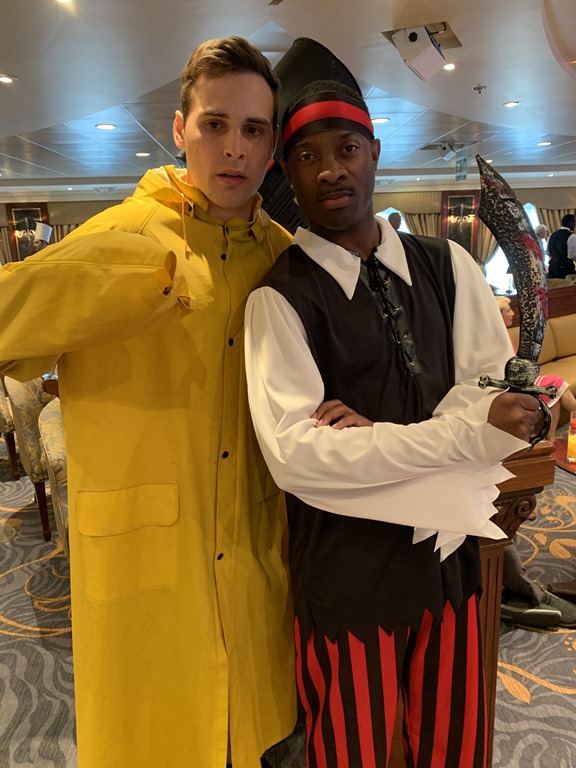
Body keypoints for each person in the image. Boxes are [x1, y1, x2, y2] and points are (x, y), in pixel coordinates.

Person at [0, 36, 299, 768]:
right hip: (147, 563)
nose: (234, 147)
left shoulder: (284, 258)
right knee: (153, 738)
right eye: (214, 124)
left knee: (252, 737)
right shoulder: (118, 237)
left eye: (254, 129)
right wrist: (110, 287)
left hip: (254, 551)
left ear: (271, 147)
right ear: (180, 129)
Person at [245, 79, 541, 768]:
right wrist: (463, 432)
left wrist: (375, 438)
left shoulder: (448, 266)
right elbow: (299, 458)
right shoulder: (280, 299)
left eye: (347, 149)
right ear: (287, 172)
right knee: (350, 748)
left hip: (451, 561)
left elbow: (497, 409)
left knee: (456, 743)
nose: (331, 170)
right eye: (309, 156)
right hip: (348, 572)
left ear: (374, 153)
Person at [496, 295, 576, 442]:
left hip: (522, 378)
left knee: (554, 392)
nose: (513, 313)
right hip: (512, 385)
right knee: (556, 383)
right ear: (498, 315)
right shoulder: (498, 338)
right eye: (508, 310)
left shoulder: (504, 333)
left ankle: (551, 439)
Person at [547, 213, 576, 279]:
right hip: (565, 269)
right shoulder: (572, 236)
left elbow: (548, 252)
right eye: (574, 222)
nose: (575, 224)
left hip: (553, 267)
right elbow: (571, 256)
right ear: (570, 223)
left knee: (555, 284)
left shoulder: (552, 235)